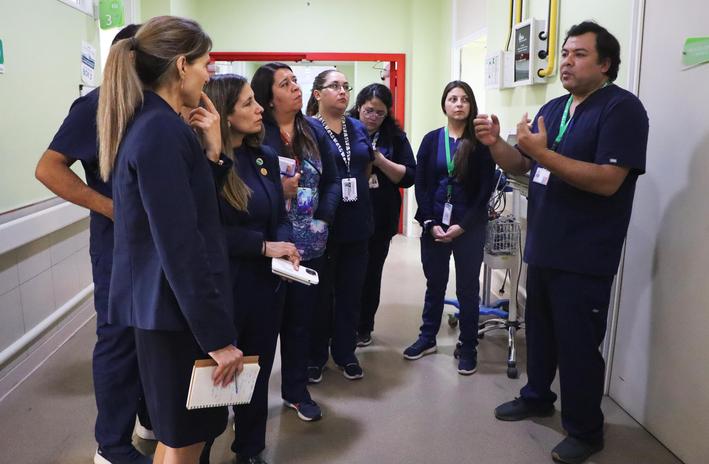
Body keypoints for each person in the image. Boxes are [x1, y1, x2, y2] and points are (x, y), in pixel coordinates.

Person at [473, 21, 648, 464]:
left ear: (605, 64)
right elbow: (523, 165)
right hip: (545, 244)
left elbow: (608, 181)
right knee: (542, 335)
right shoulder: (554, 108)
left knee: (578, 346)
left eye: (579, 54)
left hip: (585, 254)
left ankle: (586, 430)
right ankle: (537, 397)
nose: (566, 61)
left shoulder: (622, 110)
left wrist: (542, 153)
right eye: (565, 53)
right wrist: (495, 144)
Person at [97, 16, 244, 464]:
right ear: (182, 65)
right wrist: (217, 337)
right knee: (185, 441)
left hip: (166, 311)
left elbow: (187, 210)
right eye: (205, 63)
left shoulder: (153, 124)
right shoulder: (161, 131)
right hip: (176, 316)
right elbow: (180, 246)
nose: (209, 74)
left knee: (177, 437)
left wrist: (212, 153)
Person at [35, 24, 158, 464]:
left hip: (158, 245)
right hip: (118, 246)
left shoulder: (156, 105)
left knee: (150, 336)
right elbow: (48, 169)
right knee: (119, 340)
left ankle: (148, 418)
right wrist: (109, 207)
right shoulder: (97, 105)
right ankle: (112, 446)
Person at [202, 74, 299, 464]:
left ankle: (250, 448)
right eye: (248, 103)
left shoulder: (264, 158)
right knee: (214, 381)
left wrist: (285, 245)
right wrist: (261, 246)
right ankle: (200, 450)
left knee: (255, 374)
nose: (260, 109)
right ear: (224, 115)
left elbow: (280, 215)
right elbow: (205, 231)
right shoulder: (206, 164)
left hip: (265, 286)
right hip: (223, 287)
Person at [251, 62, 340, 422]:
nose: (295, 87)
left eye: (294, 81)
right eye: (285, 84)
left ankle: (296, 392)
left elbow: (332, 180)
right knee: (261, 330)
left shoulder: (313, 130)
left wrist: (324, 218)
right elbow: (242, 188)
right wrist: (278, 189)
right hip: (270, 247)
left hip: (310, 245)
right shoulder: (256, 133)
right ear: (269, 98)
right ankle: (249, 405)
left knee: (301, 323)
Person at [404, 81, 495, 375]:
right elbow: (422, 183)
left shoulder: (481, 143)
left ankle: (468, 346)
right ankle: (427, 338)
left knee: (468, 288)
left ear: (471, 105)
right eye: (453, 99)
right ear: (444, 104)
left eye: (464, 99)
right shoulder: (432, 140)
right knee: (435, 283)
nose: (458, 104)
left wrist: (463, 226)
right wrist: (430, 222)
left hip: (469, 227)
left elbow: (484, 190)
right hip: (435, 224)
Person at [305, 69, 374, 381]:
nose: (343, 91)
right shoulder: (308, 127)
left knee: (351, 292)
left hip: (357, 222)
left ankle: (346, 352)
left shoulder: (357, 127)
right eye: (334, 86)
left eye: (346, 86)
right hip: (324, 223)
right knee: (320, 295)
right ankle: (316, 356)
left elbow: (365, 164)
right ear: (318, 94)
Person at [347, 83, 416, 347]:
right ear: (358, 107)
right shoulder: (343, 130)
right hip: (347, 213)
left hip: (380, 216)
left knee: (371, 272)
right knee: (345, 274)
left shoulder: (395, 137)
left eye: (380, 112)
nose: (373, 117)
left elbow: (409, 177)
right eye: (368, 110)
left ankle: (364, 326)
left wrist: (379, 160)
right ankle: (339, 326)